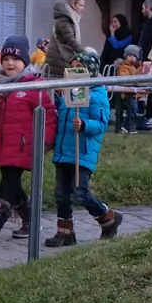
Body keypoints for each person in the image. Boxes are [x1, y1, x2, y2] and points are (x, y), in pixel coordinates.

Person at [0, 36, 53, 244]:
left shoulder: (34, 86)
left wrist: (45, 142)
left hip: (24, 146)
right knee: (13, 185)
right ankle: (31, 220)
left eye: (15, 59)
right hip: (3, 145)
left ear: (25, 62)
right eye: (6, 58)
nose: (10, 63)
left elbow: (50, 115)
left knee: (7, 183)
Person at [46, 51, 122, 247]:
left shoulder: (97, 94)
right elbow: (61, 120)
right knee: (61, 194)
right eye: (71, 67)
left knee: (80, 193)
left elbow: (102, 123)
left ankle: (108, 217)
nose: (74, 71)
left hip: (82, 151)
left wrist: (85, 125)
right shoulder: (67, 92)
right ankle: (65, 232)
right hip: (64, 152)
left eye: (79, 67)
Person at [48, 0, 86, 78]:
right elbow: (70, 39)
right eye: (80, 5)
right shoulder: (64, 18)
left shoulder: (71, 18)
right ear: (73, 4)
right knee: (60, 86)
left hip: (62, 57)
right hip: (59, 57)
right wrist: (84, 53)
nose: (82, 9)